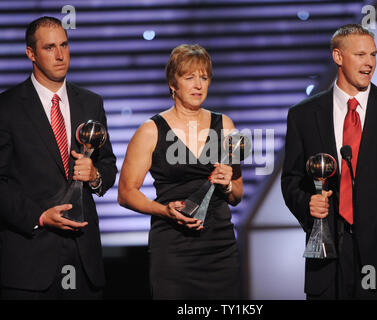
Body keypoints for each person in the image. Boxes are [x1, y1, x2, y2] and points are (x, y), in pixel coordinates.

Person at [281, 24, 377, 300]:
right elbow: (291, 179)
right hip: (327, 258)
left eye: (373, 55)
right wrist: (308, 204)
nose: (369, 63)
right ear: (338, 57)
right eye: (361, 55)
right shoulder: (303, 115)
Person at [0, 16, 117, 299]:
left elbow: (108, 165)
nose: (60, 54)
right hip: (29, 261)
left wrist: (95, 176)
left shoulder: (91, 102)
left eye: (64, 44)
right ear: (31, 53)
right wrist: (39, 216)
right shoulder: (7, 107)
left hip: (83, 256)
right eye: (50, 47)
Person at [118, 44, 243, 299]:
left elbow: (237, 194)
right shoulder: (151, 131)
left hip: (220, 249)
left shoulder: (226, 125)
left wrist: (228, 185)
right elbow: (126, 193)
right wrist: (165, 210)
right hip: (174, 251)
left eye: (204, 78)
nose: (198, 85)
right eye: (189, 78)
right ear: (173, 84)